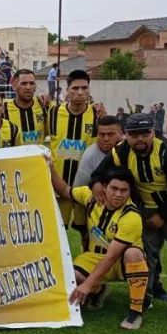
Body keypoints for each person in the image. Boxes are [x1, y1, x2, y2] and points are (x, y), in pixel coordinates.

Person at [91, 112, 167, 319]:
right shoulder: (121, 152)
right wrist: (97, 183)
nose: (140, 139)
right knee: (146, 254)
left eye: (145, 133)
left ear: (153, 132)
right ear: (127, 135)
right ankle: (144, 296)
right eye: (134, 134)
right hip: (144, 210)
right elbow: (100, 172)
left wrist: (162, 216)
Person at [48, 164, 150, 330]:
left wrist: (87, 285)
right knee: (70, 277)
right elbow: (65, 190)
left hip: (120, 262)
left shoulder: (131, 216)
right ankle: (99, 290)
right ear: (104, 187)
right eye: (114, 188)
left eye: (124, 190)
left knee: (132, 253)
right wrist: (50, 167)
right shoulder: (90, 197)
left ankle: (135, 312)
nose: (118, 194)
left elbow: (111, 257)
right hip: (94, 256)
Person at [38, 70, 100, 236]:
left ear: (89, 90)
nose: (80, 92)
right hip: (57, 185)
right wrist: (41, 97)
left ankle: (85, 261)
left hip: (85, 186)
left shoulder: (97, 114)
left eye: (84, 88)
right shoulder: (53, 112)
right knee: (55, 234)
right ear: (67, 90)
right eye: (75, 88)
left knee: (88, 233)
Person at [74, 115, 124, 188]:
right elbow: (79, 188)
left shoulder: (129, 149)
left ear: (121, 134)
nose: (106, 139)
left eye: (111, 134)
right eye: (102, 134)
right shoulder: (90, 155)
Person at [2, 69, 48, 145]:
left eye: (31, 83)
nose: (28, 87)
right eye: (24, 83)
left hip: (37, 156)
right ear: (14, 85)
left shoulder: (44, 105)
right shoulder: (3, 108)